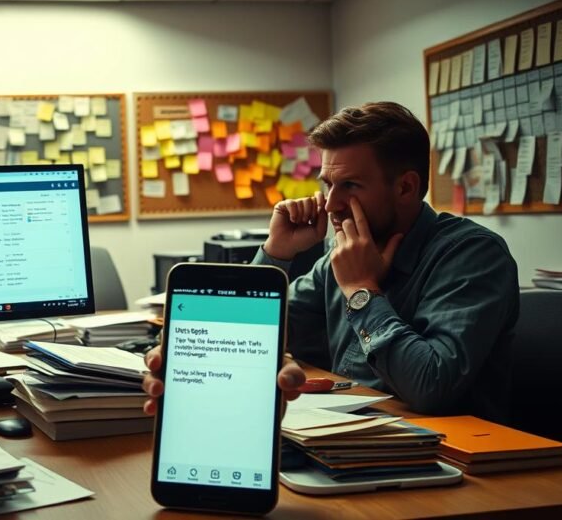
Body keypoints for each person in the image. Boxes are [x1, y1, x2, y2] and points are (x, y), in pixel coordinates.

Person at [143, 102, 518, 422]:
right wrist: (277, 252)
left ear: (405, 187)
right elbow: (247, 332)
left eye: (350, 186)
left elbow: (431, 386)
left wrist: (361, 291)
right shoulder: (341, 253)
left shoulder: (472, 254)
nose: (330, 204)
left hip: (450, 455)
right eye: (327, 184)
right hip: (348, 436)